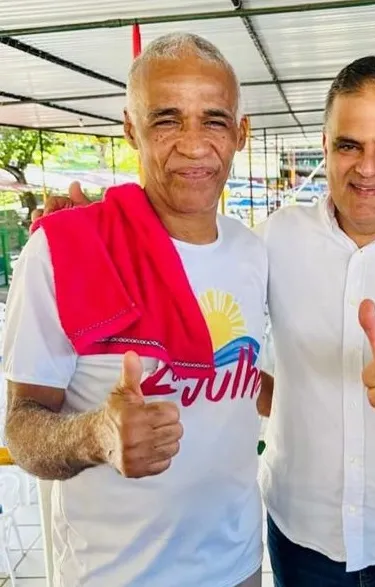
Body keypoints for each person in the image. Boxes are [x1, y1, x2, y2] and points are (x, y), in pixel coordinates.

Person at [36, 56, 375, 586]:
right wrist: (98, 236)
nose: (368, 168)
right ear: (325, 146)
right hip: (301, 534)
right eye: (349, 145)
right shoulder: (270, 240)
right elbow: (194, 306)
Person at [3, 33, 267, 587]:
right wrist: (97, 434)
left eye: (214, 120)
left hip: (239, 564)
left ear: (240, 133)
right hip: (113, 576)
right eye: (167, 120)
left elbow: (242, 382)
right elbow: (22, 430)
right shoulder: (64, 253)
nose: (194, 146)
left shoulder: (253, 253)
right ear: (130, 128)